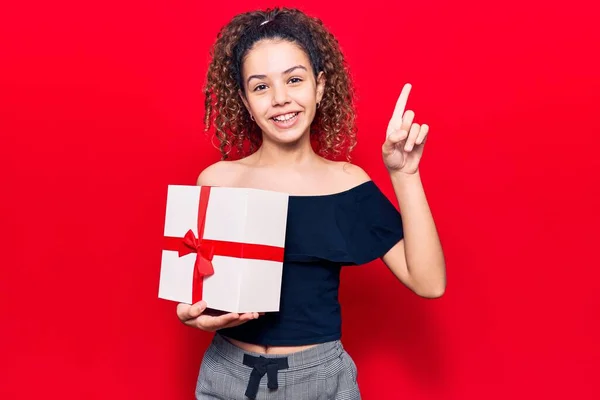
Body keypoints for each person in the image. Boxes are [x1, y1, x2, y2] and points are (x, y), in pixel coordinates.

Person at [175, 7, 446, 400]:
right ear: (246, 101)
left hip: (319, 380)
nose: (281, 99)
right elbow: (196, 288)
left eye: (295, 80)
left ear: (320, 87)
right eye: (261, 86)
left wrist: (405, 175)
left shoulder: (347, 184)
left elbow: (429, 282)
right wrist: (191, 315)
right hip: (226, 375)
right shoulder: (217, 181)